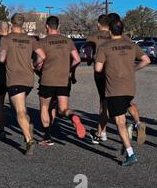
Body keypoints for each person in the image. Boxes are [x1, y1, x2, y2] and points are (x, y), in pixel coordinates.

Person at [95, 19, 151, 167]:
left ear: (109, 31)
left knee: (120, 122)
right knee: (127, 106)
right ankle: (135, 125)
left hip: (114, 88)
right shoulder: (132, 45)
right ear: (122, 30)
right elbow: (146, 60)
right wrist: (133, 69)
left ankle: (130, 153)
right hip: (130, 88)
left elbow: (98, 69)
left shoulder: (104, 47)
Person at [0, 14, 46, 155]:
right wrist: (35, 65)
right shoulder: (31, 40)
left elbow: (1, 58)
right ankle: (28, 126)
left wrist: (4, 55)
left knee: (19, 110)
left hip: (15, 78)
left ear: (11, 23)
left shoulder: (6, 39)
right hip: (28, 79)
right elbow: (42, 56)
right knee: (20, 108)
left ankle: (29, 140)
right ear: (23, 24)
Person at [38, 16, 86, 146]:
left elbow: (38, 60)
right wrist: (68, 69)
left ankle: (48, 137)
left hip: (47, 80)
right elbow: (77, 59)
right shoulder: (67, 41)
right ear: (58, 26)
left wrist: (36, 65)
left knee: (44, 107)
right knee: (63, 109)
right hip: (63, 80)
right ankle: (73, 117)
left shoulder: (43, 42)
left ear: (47, 26)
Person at [108, 13, 147, 145]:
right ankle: (138, 123)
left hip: (111, 80)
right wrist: (133, 68)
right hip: (128, 81)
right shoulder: (126, 39)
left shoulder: (110, 39)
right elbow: (144, 59)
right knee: (128, 103)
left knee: (113, 111)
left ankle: (101, 134)